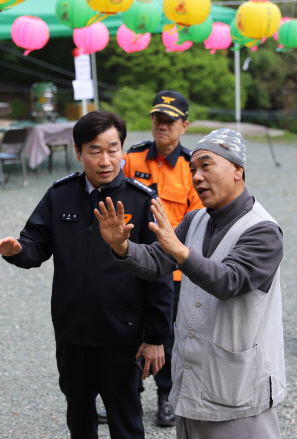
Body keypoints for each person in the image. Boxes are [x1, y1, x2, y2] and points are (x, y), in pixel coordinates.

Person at [0, 110, 174, 439]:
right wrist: (17, 251)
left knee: (126, 420)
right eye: (95, 150)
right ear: (78, 152)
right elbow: (36, 244)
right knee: (79, 416)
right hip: (72, 334)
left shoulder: (142, 201)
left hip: (123, 337)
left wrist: (156, 337)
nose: (105, 160)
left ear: (122, 149)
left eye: (113, 149)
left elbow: (160, 272)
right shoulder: (60, 196)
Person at [95, 128, 286, 439]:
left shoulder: (262, 230)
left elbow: (229, 281)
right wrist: (122, 247)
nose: (197, 177)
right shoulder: (196, 219)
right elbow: (158, 260)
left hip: (239, 389)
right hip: (193, 384)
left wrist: (179, 250)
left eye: (206, 165)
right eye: (193, 169)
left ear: (238, 169)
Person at [116, 90, 203, 427]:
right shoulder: (132, 158)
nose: (162, 125)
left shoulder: (192, 167)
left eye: (170, 120)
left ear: (184, 125)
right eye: (157, 119)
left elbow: (197, 222)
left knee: (167, 335)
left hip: (172, 269)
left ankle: (166, 397)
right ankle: (125, 395)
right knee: (125, 328)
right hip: (131, 262)